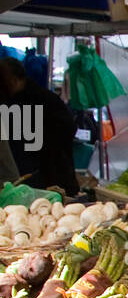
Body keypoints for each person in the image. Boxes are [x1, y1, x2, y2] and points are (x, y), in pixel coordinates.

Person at [0, 53, 79, 196]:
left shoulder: (44, 99)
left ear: (12, 80)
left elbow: (68, 130)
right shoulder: (10, 100)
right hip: (25, 180)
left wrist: (44, 145)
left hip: (50, 178)